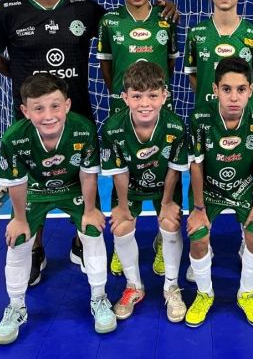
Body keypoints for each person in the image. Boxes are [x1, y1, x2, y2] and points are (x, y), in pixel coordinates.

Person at [0, 0, 178, 286]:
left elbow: (125, 28)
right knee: (33, 180)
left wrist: (166, 7)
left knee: (84, 176)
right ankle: (35, 248)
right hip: (33, 117)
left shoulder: (86, 9)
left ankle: (81, 241)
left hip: (77, 112)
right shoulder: (7, 10)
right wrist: (21, 79)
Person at [0, 74, 115, 345]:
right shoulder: (15, 138)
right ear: (25, 111)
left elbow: (87, 175)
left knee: (93, 230)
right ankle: (16, 307)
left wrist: (90, 210)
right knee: (18, 239)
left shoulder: (83, 129)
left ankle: (99, 298)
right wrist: (20, 219)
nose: (48, 115)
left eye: (55, 106)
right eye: (38, 108)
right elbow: (16, 182)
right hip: (34, 190)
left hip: (73, 187)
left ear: (67, 105)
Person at [183, 0, 253, 280]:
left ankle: (249, 243)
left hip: (241, 122)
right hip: (206, 121)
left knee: (245, 171)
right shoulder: (197, 33)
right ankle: (203, 245)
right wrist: (213, 99)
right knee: (202, 173)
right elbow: (193, 75)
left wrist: (237, 100)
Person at [97, 0, 179, 278]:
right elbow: (107, 67)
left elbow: (169, 64)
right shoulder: (110, 22)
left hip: (157, 109)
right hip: (125, 109)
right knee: (123, 176)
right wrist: (125, 97)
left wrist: (152, 97)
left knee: (163, 175)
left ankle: (162, 240)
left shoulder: (165, 19)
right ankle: (122, 242)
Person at [185, 57, 253, 328]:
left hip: (244, 188)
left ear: (250, 90)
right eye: (226, 89)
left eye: (240, 89)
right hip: (208, 189)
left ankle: (246, 294)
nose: (234, 97)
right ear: (215, 89)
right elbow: (196, 164)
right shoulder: (200, 118)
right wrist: (199, 209)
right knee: (198, 238)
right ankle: (204, 294)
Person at [100, 61, 189, 323]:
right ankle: (134, 286)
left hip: (164, 186)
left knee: (170, 223)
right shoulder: (113, 128)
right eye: (137, 96)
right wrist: (122, 207)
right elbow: (119, 171)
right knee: (121, 225)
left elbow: (174, 170)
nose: (145, 103)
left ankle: (171, 286)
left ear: (164, 96)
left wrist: (166, 203)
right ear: (125, 97)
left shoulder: (175, 127)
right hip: (130, 187)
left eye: (152, 95)